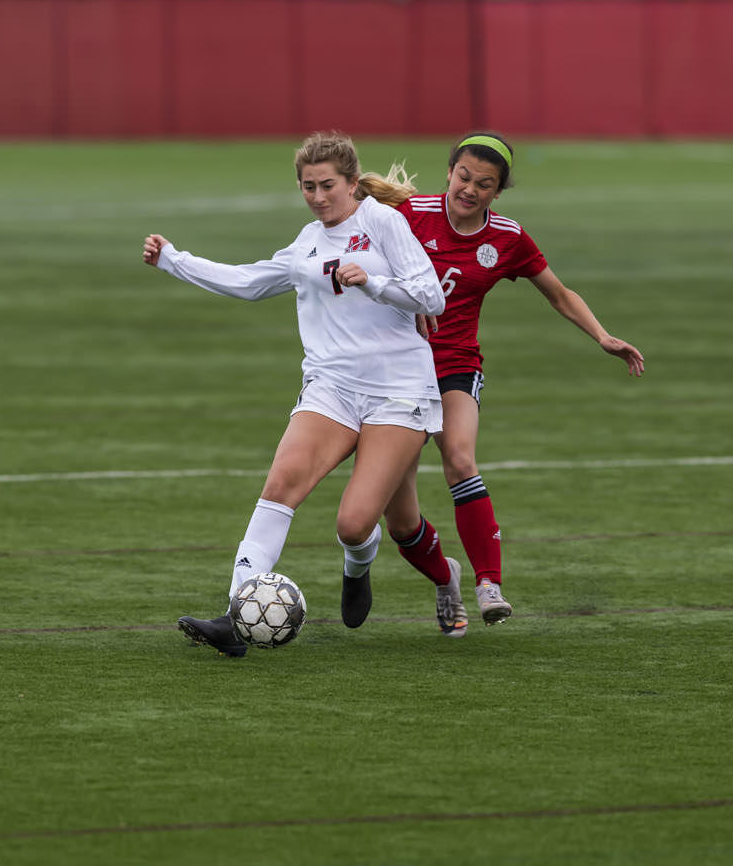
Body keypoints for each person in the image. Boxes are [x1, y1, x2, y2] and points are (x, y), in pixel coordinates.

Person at [143, 130, 452, 658]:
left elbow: (429, 296)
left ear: (353, 183)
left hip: (399, 390)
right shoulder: (307, 241)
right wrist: (174, 259)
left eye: (327, 185)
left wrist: (372, 282)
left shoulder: (383, 222)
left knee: (356, 525)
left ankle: (359, 566)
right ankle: (236, 615)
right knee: (280, 483)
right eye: (307, 186)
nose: (317, 196)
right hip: (330, 386)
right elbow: (246, 281)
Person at [371, 132, 645, 636]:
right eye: (464, 177)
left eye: (485, 184)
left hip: (455, 364)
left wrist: (603, 336)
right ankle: (445, 576)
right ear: (450, 171)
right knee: (399, 518)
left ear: (499, 192)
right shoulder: (411, 215)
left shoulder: (508, 238)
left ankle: (488, 584)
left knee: (459, 457)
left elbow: (559, 294)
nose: (470, 189)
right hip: (397, 370)